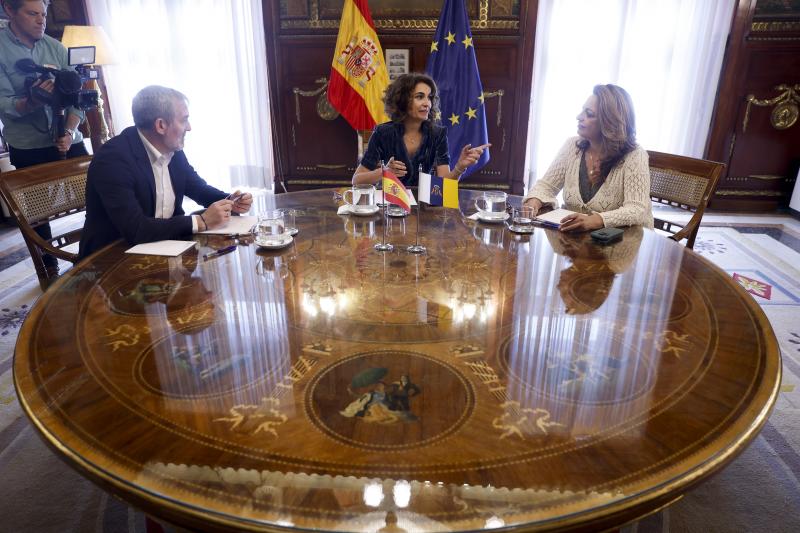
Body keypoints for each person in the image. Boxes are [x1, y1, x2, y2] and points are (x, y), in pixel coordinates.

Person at [79, 85, 253, 258]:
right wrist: (201, 221)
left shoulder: (172, 148)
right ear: (161, 125)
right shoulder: (113, 159)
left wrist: (230, 201)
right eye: (184, 120)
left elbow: (198, 189)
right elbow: (136, 229)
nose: (189, 127)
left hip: (166, 247)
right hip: (112, 257)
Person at [0, 0, 89, 272]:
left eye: (44, 14)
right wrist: (33, 102)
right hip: (29, 145)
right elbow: (3, 102)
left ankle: (97, 250)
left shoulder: (56, 48)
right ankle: (49, 266)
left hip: (69, 141)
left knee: (99, 194)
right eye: (32, 14)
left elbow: (78, 99)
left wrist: (71, 129)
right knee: (38, 215)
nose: (41, 20)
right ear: (9, 11)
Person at [524, 84, 653, 232]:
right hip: (578, 241)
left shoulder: (635, 156)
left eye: (589, 114)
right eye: (582, 111)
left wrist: (597, 220)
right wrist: (535, 200)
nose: (579, 117)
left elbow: (637, 210)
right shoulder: (572, 146)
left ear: (609, 123)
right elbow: (546, 186)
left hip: (626, 244)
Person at [353, 72, 489, 187]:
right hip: (390, 206)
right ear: (403, 100)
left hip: (424, 208)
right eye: (419, 97)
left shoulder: (438, 134)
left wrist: (460, 167)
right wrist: (384, 172)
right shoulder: (383, 133)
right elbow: (357, 180)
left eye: (430, 98)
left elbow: (444, 186)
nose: (427, 103)